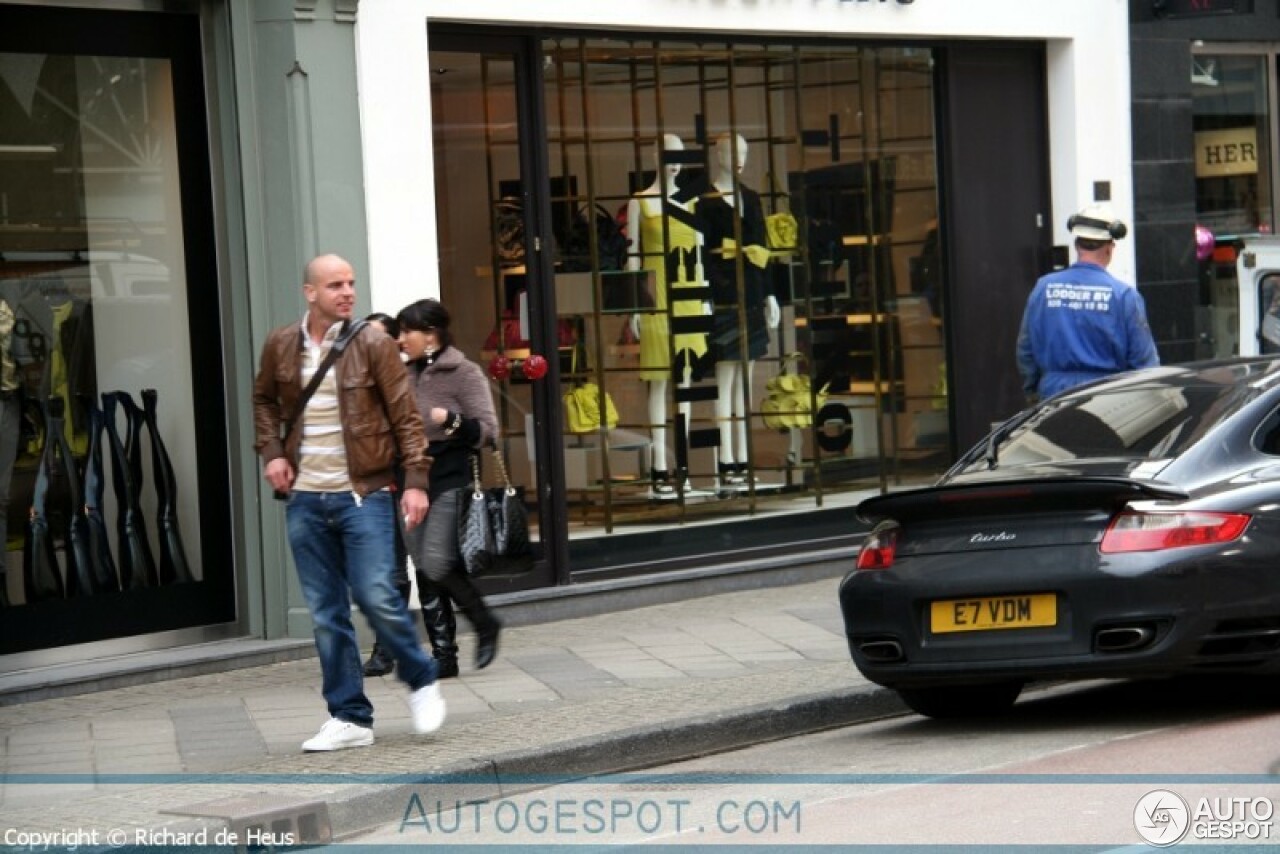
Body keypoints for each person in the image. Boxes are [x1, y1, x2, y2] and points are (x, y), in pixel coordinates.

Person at [252, 253, 445, 752]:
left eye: (351, 283)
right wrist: (272, 451)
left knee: (376, 595)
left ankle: (421, 675)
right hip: (305, 500)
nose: (347, 292)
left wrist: (417, 479)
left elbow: (405, 416)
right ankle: (350, 717)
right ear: (309, 292)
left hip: (365, 496)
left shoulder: (374, 344)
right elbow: (264, 401)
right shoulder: (280, 344)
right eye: (335, 284)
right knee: (325, 612)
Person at [395, 298, 503, 675]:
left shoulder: (463, 372)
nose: (401, 339)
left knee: (439, 562)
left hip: (449, 477)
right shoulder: (400, 373)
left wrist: (452, 420)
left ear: (431, 335)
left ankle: (485, 622)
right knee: (423, 565)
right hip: (408, 478)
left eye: (407, 331)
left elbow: (489, 432)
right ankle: (445, 657)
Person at [625, 133, 710, 498]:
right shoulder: (640, 202)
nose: (674, 162)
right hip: (657, 296)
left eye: (678, 156)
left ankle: (684, 469)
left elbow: (701, 254)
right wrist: (634, 306)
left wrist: (705, 299)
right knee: (659, 381)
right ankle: (660, 466)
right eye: (667, 155)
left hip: (690, 294)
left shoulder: (691, 202)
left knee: (685, 383)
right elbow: (632, 258)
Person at [698, 133, 781, 489]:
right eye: (734, 152)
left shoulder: (751, 198)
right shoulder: (704, 201)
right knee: (725, 382)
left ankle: (743, 458)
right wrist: (714, 293)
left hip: (751, 296)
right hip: (725, 298)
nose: (740, 159)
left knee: (743, 384)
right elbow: (703, 256)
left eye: (745, 153)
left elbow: (760, 247)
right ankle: (725, 461)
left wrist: (770, 296)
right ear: (718, 154)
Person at [1016, 204, 1159, 402]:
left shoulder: (1043, 288)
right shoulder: (1124, 296)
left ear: (1077, 245)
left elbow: (1026, 349)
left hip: (1053, 397)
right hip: (1107, 399)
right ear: (1110, 247)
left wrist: (1032, 389)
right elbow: (1144, 363)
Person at [360, 311, 412, 678]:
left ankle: (388, 646)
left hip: (400, 483)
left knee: (392, 565)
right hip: (364, 484)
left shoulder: (406, 380)